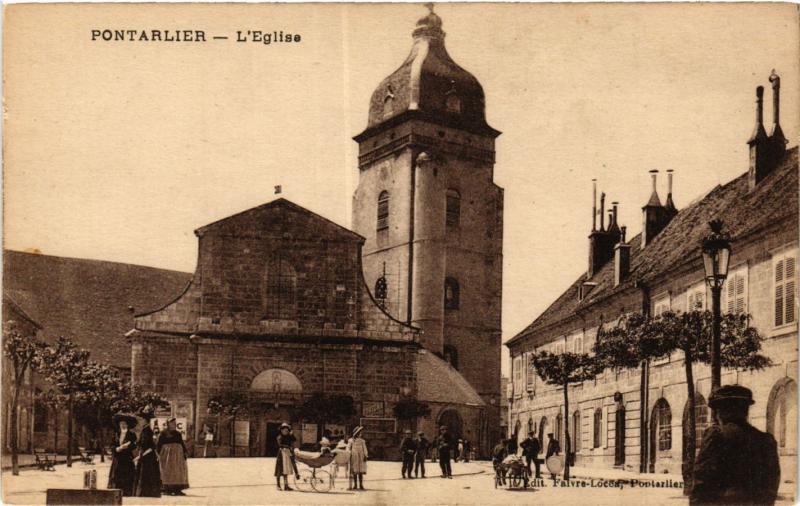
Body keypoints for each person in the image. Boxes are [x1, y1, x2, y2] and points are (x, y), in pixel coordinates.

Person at [690, 385, 780, 506]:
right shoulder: (766, 440)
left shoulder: (716, 436)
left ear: (720, 412)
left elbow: (701, 484)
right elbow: (771, 487)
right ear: (746, 411)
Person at [157, 418, 189, 496]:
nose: (174, 424)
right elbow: (159, 445)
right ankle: (167, 490)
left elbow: (181, 443)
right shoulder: (163, 433)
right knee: (167, 471)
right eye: (172, 423)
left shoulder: (178, 434)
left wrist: (185, 452)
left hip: (178, 456)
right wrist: (158, 454)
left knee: (178, 472)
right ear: (168, 424)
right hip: (167, 456)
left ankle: (177, 490)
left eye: (175, 423)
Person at [108, 413, 138, 496]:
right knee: (117, 475)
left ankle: (127, 492)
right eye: (121, 424)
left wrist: (126, 447)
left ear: (128, 425)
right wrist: (117, 449)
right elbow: (112, 445)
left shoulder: (132, 435)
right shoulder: (116, 434)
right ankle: (116, 492)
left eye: (124, 424)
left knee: (127, 475)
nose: (123, 425)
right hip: (117, 458)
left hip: (127, 458)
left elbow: (134, 445)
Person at [134, 408, 161, 497]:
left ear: (145, 420)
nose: (139, 421)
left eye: (140, 420)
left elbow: (151, 447)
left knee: (146, 474)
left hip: (148, 457)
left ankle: (147, 493)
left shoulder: (147, 431)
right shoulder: (144, 430)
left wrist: (140, 456)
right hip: (145, 456)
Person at [274, 423, 297, 491]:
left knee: (286, 470)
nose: (285, 431)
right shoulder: (279, 437)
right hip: (281, 454)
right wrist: (288, 446)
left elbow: (294, 439)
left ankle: (286, 485)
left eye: (287, 430)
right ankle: (278, 485)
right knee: (279, 469)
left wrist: (292, 434)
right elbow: (280, 445)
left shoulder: (288, 436)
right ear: (281, 430)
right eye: (284, 430)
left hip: (287, 453)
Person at [348, 426, 368, 490]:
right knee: (355, 471)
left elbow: (364, 449)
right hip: (354, 456)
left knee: (360, 471)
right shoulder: (351, 440)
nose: (361, 434)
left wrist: (365, 455)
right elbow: (348, 448)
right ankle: (355, 485)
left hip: (361, 457)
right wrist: (349, 453)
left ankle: (361, 484)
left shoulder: (362, 441)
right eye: (360, 433)